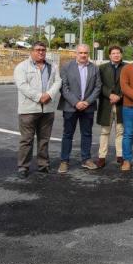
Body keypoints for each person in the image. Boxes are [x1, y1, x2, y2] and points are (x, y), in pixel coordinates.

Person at [13, 42, 61, 178]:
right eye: (38, 50)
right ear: (32, 51)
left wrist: (49, 95)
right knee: (26, 140)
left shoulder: (53, 66)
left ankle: (43, 165)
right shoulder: (22, 67)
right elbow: (22, 85)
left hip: (47, 109)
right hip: (28, 109)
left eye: (43, 50)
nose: (41, 52)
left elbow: (58, 82)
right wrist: (40, 97)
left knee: (44, 140)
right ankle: (23, 167)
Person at [57, 44, 102, 173]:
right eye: (80, 53)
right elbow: (64, 87)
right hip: (71, 107)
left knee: (87, 134)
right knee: (67, 134)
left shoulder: (94, 68)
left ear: (89, 54)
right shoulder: (66, 67)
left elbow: (98, 87)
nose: (83, 55)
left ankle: (86, 159)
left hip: (88, 107)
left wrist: (87, 102)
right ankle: (64, 161)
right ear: (76, 53)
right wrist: (76, 102)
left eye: (85, 53)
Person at [96, 45, 126, 168]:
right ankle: (102, 157)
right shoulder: (102, 68)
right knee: (104, 131)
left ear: (121, 54)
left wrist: (119, 96)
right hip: (106, 103)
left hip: (121, 103)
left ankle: (120, 155)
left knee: (120, 131)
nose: (116, 55)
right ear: (109, 55)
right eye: (113, 53)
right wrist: (110, 95)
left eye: (118, 53)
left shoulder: (127, 68)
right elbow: (99, 85)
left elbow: (129, 84)